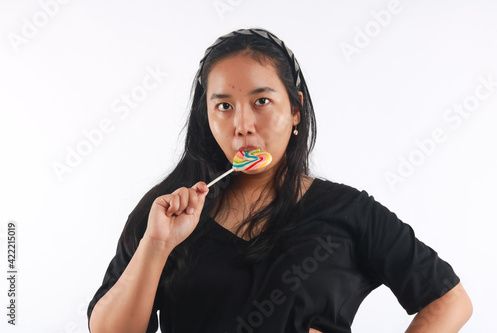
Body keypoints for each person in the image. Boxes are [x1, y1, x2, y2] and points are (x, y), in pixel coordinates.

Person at [87, 28, 473, 333]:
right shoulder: (167, 212)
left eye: (262, 101)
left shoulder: (349, 212)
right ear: (206, 117)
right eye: (223, 106)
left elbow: (449, 301)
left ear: (296, 111)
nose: (242, 126)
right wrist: (157, 245)